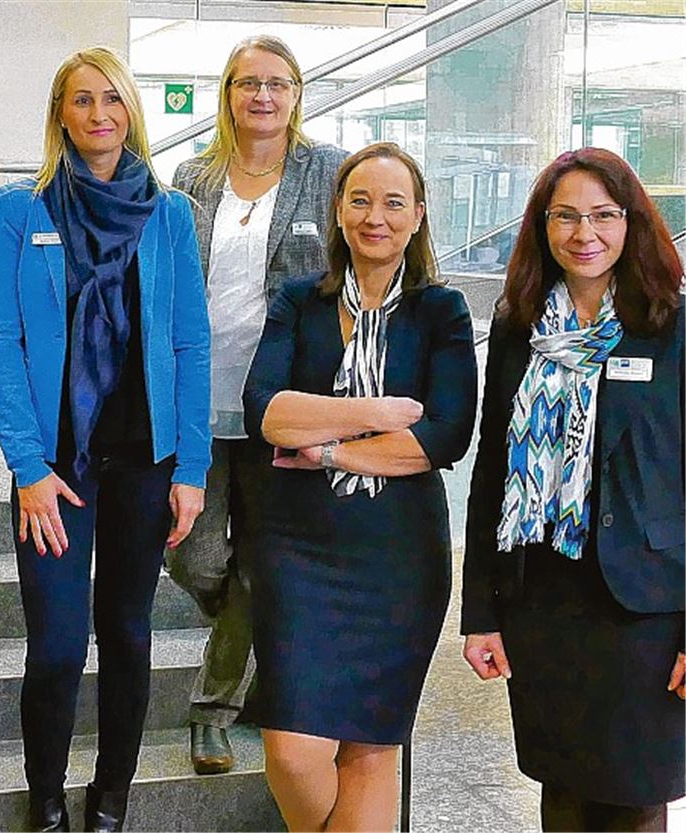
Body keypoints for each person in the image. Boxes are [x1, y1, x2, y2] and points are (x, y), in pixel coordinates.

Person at [0, 46, 211, 833]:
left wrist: (193, 465)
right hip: (58, 467)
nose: (99, 114)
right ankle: (45, 799)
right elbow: (2, 338)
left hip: (146, 459)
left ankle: (110, 799)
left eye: (112, 99)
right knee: (53, 645)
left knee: (128, 633)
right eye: (81, 101)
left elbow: (191, 342)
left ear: (132, 110)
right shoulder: (23, 209)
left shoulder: (170, 212)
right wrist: (25, 465)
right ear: (61, 115)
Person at [242, 142, 477, 831]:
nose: (376, 217)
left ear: (419, 215)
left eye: (394, 202)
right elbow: (268, 413)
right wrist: (374, 414)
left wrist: (325, 446)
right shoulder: (297, 301)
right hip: (299, 551)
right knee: (291, 749)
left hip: (398, 559)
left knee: (372, 749)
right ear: (338, 210)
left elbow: (445, 435)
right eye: (361, 200)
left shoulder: (443, 311)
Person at [461, 147, 684, 832]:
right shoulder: (517, 325)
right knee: (560, 785)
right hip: (543, 594)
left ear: (632, 222)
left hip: (646, 603)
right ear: (541, 226)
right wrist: (480, 611)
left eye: (602, 215)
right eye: (565, 217)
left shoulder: (670, 323)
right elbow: (493, 472)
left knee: (632, 791)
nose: (583, 234)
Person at [168, 34, 347, 775]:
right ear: (228, 93)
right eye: (248, 83)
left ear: (298, 94)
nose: (263, 97)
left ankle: (212, 708)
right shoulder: (191, 176)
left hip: (286, 402)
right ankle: (264, 640)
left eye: (278, 84)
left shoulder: (330, 171)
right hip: (198, 399)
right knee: (194, 555)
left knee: (259, 562)